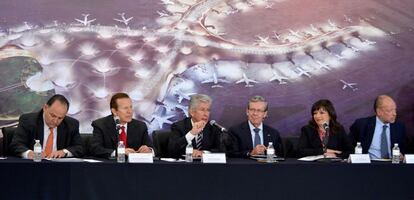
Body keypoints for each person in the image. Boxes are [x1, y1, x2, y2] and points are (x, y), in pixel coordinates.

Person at [10, 94, 84, 159]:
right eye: (53, 115)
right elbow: (16, 144)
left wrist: (64, 152)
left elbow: (79, 148)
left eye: (60, 118)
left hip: (60, 168)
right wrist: (29, 153)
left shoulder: (71, 124)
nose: (55, 121)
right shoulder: (28, 121)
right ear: (45, 108)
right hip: (33, 166)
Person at [89, 93, 153, 159]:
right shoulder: (100, 125)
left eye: (131, 107)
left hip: (135, 167)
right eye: (125, 108)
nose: (130, 111)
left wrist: (149, 150)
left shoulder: (140, 126)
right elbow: (95, 149)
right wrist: (119, 152)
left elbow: (152, 148)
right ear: (114, 111)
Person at [168, 94, 229, 158]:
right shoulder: (179, 126)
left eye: (208, 110)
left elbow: (222, 151)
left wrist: (204, 153)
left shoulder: (213, 127)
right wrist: (191, 133)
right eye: (202, 110)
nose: (206, 114)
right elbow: (172, 150)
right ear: (192, 112)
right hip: (185, 166)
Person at [349, 95, 406, 159]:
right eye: (390, 110)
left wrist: (402, 156)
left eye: (395, 110)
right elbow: (349, 147)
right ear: (379, 112)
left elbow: (406, 149)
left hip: (393, 165)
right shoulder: (362, 125)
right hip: (369, 166)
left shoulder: (399, 127)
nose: (394, 114)